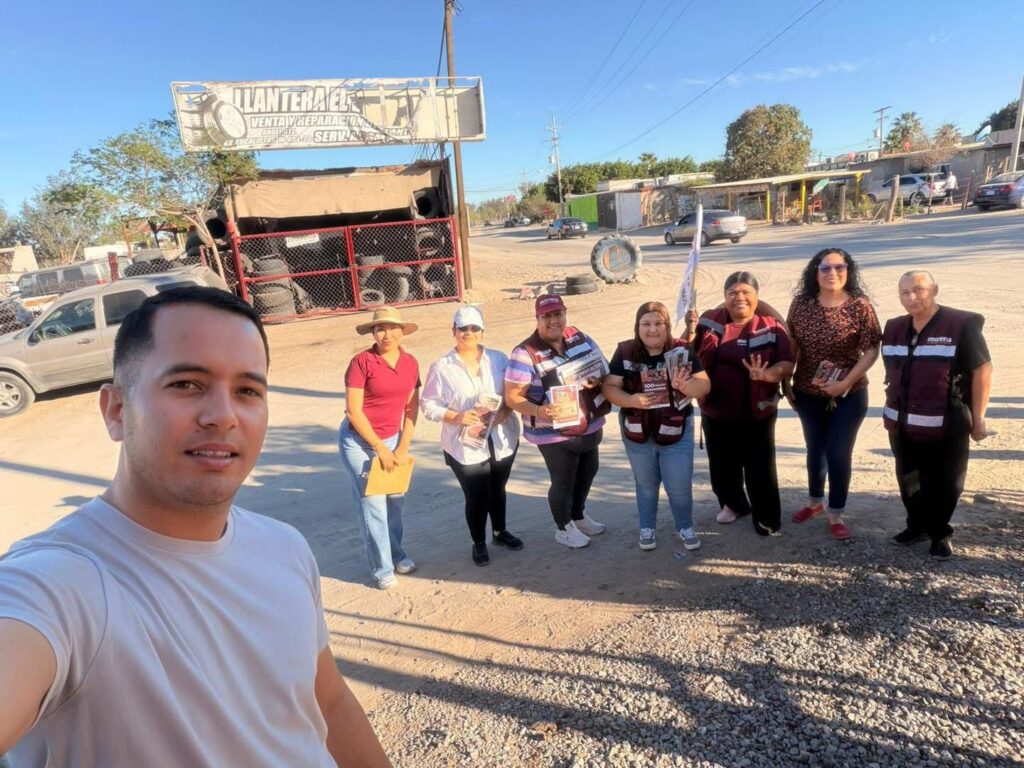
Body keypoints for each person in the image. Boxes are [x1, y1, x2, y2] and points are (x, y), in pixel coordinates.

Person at [0, 287, 390, 766]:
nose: (223, 416)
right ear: (116, 410)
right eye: (186, 384)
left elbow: (327, 703)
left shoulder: (284, 547)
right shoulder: (58, 584)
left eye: (247, 391)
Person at [882, 270, 993, 559]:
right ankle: (916, 526)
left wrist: (978, 418)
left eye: (918, 289)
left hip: (947, 422)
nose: (912, 297)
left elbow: (982, 369)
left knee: (945, 482)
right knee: (909, 479)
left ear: (935, 290)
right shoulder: (894, 327)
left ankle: (939, 532)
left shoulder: (961, 325)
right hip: (902, 423)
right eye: (904, 292)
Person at [786, 248, 881, 540]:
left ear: (848, 270)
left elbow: (872, 349)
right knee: (815, 448)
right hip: (807, 390)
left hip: (849, 393)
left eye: (839, 267)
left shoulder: (860, 306)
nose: (832, 273)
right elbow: (792, 343)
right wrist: (785, 379)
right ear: (815, 272)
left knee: (839, 452)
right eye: (825, 268)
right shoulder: (802, 304)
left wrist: (845, 383)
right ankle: (815, 502)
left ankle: (836, 512)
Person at [504, 294, 611, 548]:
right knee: (563, 479)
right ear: (537, 318)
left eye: (557, 314)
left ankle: (578, 515)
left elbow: (603, 367)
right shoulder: (524, 352)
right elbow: (512, 396)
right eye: (546, 316)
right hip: (552, 433)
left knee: (588, 471)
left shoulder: (579, 337)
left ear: (565, 313)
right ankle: (563, 527)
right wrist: (540, 411)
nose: (553, 320)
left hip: (589, 423)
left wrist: (596, 379)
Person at [602, 301, 711, 551]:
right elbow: (608, 387)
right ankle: (647, 527)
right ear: (637, 326)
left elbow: (704, 385)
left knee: (679, 484)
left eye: (658, 323)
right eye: (646, 323)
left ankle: (685, 526)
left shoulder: (681, 350)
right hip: (637, 433)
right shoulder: (626, 351)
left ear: (667, 326)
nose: (653, 329)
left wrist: (685, 386)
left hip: (676, 431)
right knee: (645, 483)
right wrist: (630, 400)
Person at [692, 272, 794, 536]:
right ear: (725, 297)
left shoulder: (772, 327)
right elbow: (688, 352)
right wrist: (689, 328)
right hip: (715, 410)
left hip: (756, 413)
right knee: (722, 464)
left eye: (745, 292)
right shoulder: (708, 321)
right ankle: (733, 504)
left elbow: (786, 363)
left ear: (756, 296)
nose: (739, 297)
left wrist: (768, 374)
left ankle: (767, 518)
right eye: (732, 293)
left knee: (760, 468)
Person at [421, 305, 523, 566]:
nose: (468, 333)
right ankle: (478, 541)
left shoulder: (499, 359)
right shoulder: (442, 366)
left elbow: (516, 390)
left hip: (501, 438)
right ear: (453, 331)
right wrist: (456, 417)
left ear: (482, 331)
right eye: (463, 328)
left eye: (474, 328)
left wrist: (507, 408)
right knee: (477, 496)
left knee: (498, 489)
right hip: (463, 444)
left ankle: (499, 532)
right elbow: (428, 404)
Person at [339, 306, 420, 589]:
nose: (386, 334)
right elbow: (353, 411)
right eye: (380, 329)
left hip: (392, 440)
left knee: (395, 501)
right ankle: (382, 568)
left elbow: (411, 407)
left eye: (392, 328)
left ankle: (397, 554)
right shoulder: (361, 362)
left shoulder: (410, 363)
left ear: (401, 331)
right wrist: (379, 448)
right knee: (373, 504)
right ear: (373, 333)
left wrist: (401, 447)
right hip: (360, 442)